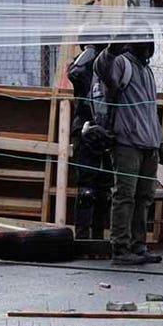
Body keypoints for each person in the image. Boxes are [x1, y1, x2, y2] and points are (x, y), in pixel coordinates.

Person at [94, 34, 163, 265]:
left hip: (149, 144)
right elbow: (102, 68)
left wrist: (160, 141)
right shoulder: (122, 63)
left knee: (144, 196)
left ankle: (139, 245)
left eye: (150, 39)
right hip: (127, 143)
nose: (149, 45)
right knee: (125, 195)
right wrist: (111, 50)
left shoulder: (147, 71)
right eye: (144, 39)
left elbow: (151, 110)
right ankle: (121, 247)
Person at [67, 32, 113, 240]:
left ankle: (98, 238)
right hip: (84, 128)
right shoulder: (84, 64)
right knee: (86, 188)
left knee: (104, 189)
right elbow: (74, 73)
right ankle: (83, 238)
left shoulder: (108, 65)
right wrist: (91, 50)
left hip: (106, 129)